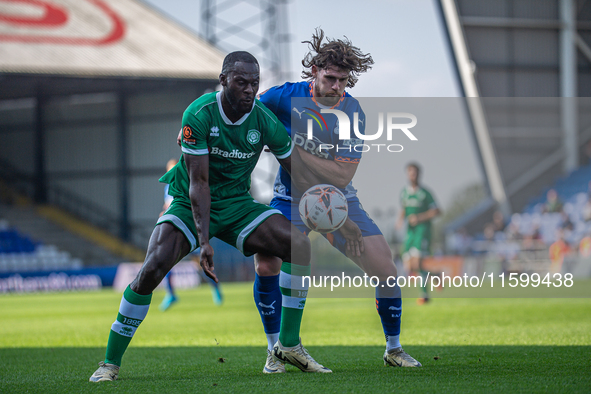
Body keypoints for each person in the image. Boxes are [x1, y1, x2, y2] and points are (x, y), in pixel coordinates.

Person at [90, 51, 322, 382]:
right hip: (189, 201)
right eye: (241, 82)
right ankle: (109, 363)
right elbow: (199, 184)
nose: (249, 90)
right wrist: (203, 242)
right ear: (223, 79)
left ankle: (287, 346)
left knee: (298, 247)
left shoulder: (264, 121)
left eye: (254, 83)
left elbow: (297, 169)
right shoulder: (198, 114)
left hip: (237, 203)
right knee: (152, 269)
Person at [251, 28, 422, 372]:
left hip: (337, 201)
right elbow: (246, 114)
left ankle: (394, 348)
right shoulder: (282, 97)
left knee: (386, 269)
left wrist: (289, 148)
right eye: (330, 78)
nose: (336, 87)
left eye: (343, 81)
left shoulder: (352, 112)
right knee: (266, 264)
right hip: (289, 199)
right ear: (314, 70)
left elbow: (342, 177)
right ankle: (275, 351)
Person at [159, 159, 224, 311]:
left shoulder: (189, 183)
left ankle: (216, 290)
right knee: (165, 262)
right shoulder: (169, 187)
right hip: (175, 229)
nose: (172, 173)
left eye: (174, 169)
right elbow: (168, 205)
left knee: (202, 264)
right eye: (170, 170)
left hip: (190, 228)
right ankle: (171, 294)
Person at [396, 162, 441, 305]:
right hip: (410, 232)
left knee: (417, 262)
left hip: (422, 231)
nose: (412, 175)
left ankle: (424, 295)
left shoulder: (425, 193)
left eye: (414, 173)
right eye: (410, 172)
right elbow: (404, 208)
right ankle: (435, 276)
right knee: (409, 266)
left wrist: (419, 218)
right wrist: (400, 220)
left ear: (419, 175)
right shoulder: (404, 192)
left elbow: (437, 211)